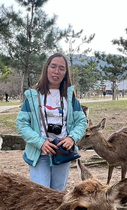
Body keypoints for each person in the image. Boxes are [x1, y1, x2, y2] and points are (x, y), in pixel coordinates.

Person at [16, 53, 88, 191]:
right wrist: (40, 142)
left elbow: (81, 122)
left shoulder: (70, 97)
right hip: (39, 153)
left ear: (66, 73)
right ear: (46, 68)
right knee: (41, 194)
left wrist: (72, 138)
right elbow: (22, 124)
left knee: (57, 194)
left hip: (62, 152)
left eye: (61, 68)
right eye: (53, 66)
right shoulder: (32, 96)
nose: (56, 71)